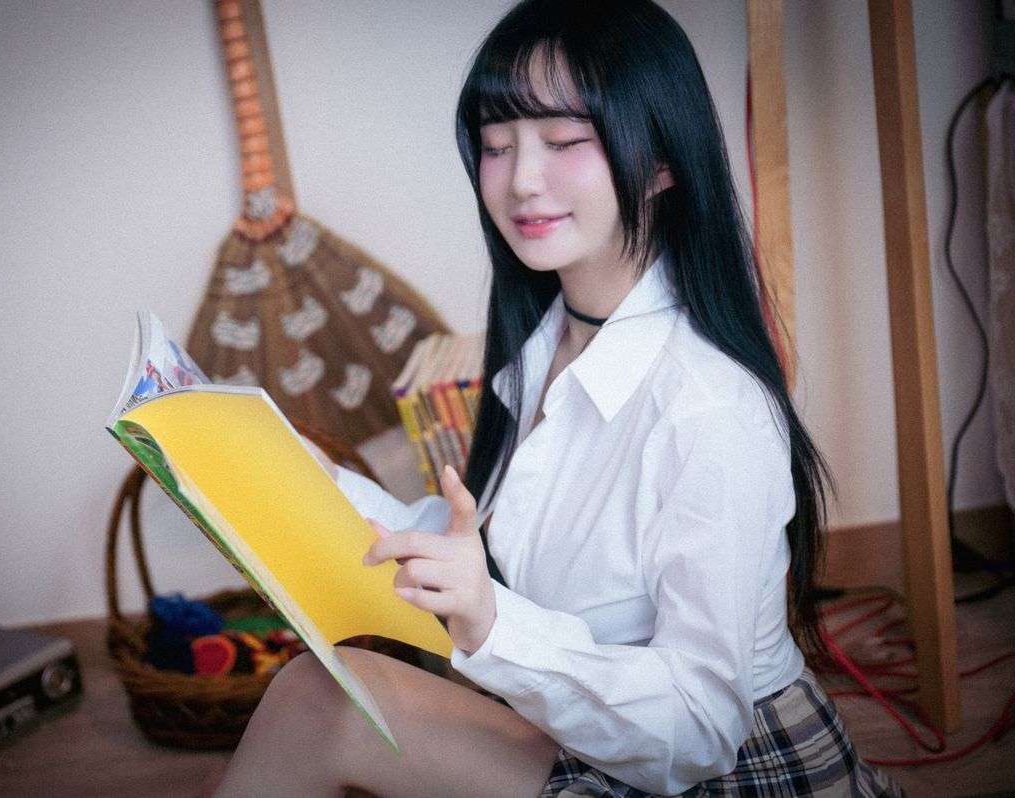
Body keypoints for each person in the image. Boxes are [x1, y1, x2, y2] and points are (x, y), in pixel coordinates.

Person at [211, 1, 904, 795]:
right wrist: (304, 480)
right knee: (312, 700)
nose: (521, 181)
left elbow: (701, 729)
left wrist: (490, 621)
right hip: (586, 730)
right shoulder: (545, 343)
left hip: (720, 767)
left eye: (566, 140)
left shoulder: (709, 407)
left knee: (314, 708)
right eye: (497, 145)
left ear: (663, 162)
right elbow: (492, 557)